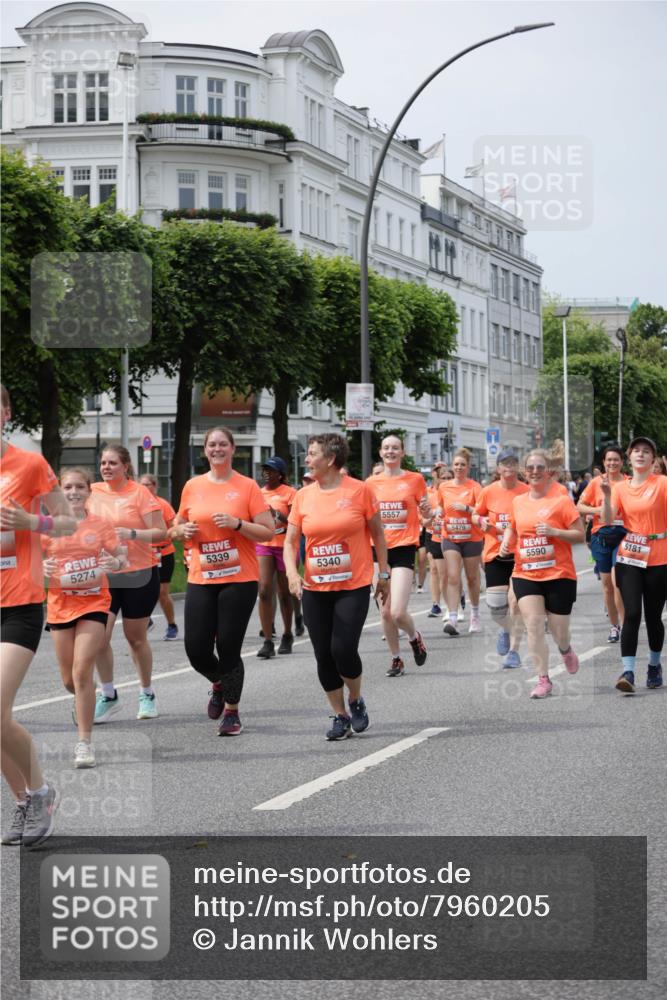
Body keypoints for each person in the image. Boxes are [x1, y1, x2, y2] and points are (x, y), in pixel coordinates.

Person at [1, 384, 75, 847]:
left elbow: (68, 521)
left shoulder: (28, 464)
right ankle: (22, 800)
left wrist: (32, 523)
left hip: (19, 604)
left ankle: (42, 791)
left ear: (6, 411)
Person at [284, 434, 390, 739]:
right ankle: (339, 714)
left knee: (342, 648)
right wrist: (292, 573)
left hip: (352, 585)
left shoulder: (360, 491)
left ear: (330, 459)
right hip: (315, 588)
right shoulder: (303, 496)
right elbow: (291, 542)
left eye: (312, 453)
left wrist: (383, 574)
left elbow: (378, 536)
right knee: (323, 654)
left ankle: (355, 699)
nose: (306, 458)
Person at [170, 426, 273, 735]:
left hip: (239, 578)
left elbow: (268, 531)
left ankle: (232, 710)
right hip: (202, 577)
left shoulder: (247, 487)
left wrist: (238, 523)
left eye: (222, 444)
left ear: (232, 449)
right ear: (205, 450)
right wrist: (181, 532)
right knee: (196, 649)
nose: (217, 449)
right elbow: (175, 526)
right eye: (211, 445)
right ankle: (219, 682)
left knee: (229, 647)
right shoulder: (192, 486)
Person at [43, 468, 123, 768]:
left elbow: (120, 557)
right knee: (70, 681)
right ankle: (85, 701)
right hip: (60, 606)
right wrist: (42, 569)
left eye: (79, 486)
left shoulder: (101, 524)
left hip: (94, 603)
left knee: (81, 672)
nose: (74, 491)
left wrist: (114, 561)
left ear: (89, 491)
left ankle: (84, 743)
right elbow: (33, 562)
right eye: (68, 487)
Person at [89, 447, 167, 722]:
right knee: (98, 638)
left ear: (125, 466)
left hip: (139, 574)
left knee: (135, 639)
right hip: (105, 575)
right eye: (103, 463)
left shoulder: (139, 493)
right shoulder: (93, 491)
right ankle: (108, 694)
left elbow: (161, 532)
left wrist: (131, 533)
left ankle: (147, 693)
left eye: (112, 463)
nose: (106, 467)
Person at [500, 449, 586, 699]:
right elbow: (512, 528)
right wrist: (507, 541)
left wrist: (554, 532)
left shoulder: (560, 500)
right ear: (524, 472)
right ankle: (543, 680)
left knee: (559, 631)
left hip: (559, 574)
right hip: (526, 573)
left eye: (540, 467)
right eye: (530, 468)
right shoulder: (518, 501)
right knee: (534, 625)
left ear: (548, 471)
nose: (535, 471)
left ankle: (565, 649)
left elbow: (580, 535)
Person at [601, 436, 667, 693]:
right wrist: (606, 497)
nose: (640, 454)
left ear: (653, 459)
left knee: (653, 616)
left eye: (646, 451)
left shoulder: (661, 483)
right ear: (629, 457)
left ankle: (653, 665)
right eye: (636, 451)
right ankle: (628, 671)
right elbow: (607, 520)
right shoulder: (620, 488)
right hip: (630, 555)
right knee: (631, 613)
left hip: (659, 555)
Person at [365, 435, 429, 677]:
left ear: (402, 452)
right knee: (384, 611)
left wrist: (427, 513)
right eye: (386, 448)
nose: (390, 451)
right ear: (380, 453)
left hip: (403, 547)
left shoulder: (415, 479)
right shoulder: (370, 483)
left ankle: (414, 637)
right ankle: (396, 659)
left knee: (398, 612)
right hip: (376, 551)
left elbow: (427, 515)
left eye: (395, 448)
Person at [473, 451, 529, 667]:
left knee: (515, 603)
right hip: (494, 554)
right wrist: (480, 521)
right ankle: (505, 629)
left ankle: (514, 652)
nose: (509, 468)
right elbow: (475, 514)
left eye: (513, 464)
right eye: (504, 464)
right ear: (497, 469)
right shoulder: (488, 492)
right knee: (497, 607)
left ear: (518, 468)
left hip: (520, 555)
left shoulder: (526, 491)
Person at [577, 446, 626, 643]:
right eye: (609, 460)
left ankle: (625, 626)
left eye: (616, 460)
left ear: (622, 462)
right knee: (607, 586)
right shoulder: (596, 483)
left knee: (618, 583)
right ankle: (614, 627)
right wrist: (599, 510)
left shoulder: (628, 483)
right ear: (604, 463)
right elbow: (579, 506)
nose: (612, 463)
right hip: (601, 536)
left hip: (624, 536)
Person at [438, 447, 483, 635]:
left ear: (468, 466)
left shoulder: (475, 487)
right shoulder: (444, 487)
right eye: (456, 464)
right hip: (450, 537)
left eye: (462, 465)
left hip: (471, 537)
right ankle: (453, 617)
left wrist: (466, 508)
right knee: (453, 576)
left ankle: (474, 614)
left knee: (472, 578)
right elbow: (441, 508)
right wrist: (439, 515)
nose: (459, 467)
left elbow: (481, 512)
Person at [256, 457, 297, 658]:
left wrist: (277, 515)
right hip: (264, 544)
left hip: (285, 545)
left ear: (280, 474)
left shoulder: (290, 493)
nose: (266, 473)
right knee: (264, 590)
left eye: (270, 470)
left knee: (284, 593)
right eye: (264, 470)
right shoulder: (257, 493)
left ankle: (287, 634)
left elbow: (296, 522)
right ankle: (267, 641)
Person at [139, 473, 179, 641]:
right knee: (140, 590)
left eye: (146, 484)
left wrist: (165, 534)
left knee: (162, 592)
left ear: (154, 486)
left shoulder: (163, 505)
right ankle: (145, 620)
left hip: (164, 552)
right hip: (144, 553)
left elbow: (175, 526)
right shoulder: (137, 504)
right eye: (140, 485)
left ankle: (171, 625)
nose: (143, 488)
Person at [426, 464, 448, 618]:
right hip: (431, 533)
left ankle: (455, 595)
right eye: (440, 475)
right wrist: (429, 517)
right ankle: (436, 604)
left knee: (446, 572)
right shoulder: (429, 493)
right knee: (434, 569)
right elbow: (423, 515)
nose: (443, 479)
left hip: (448, 534)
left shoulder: (452, 493)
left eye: (447, 477)